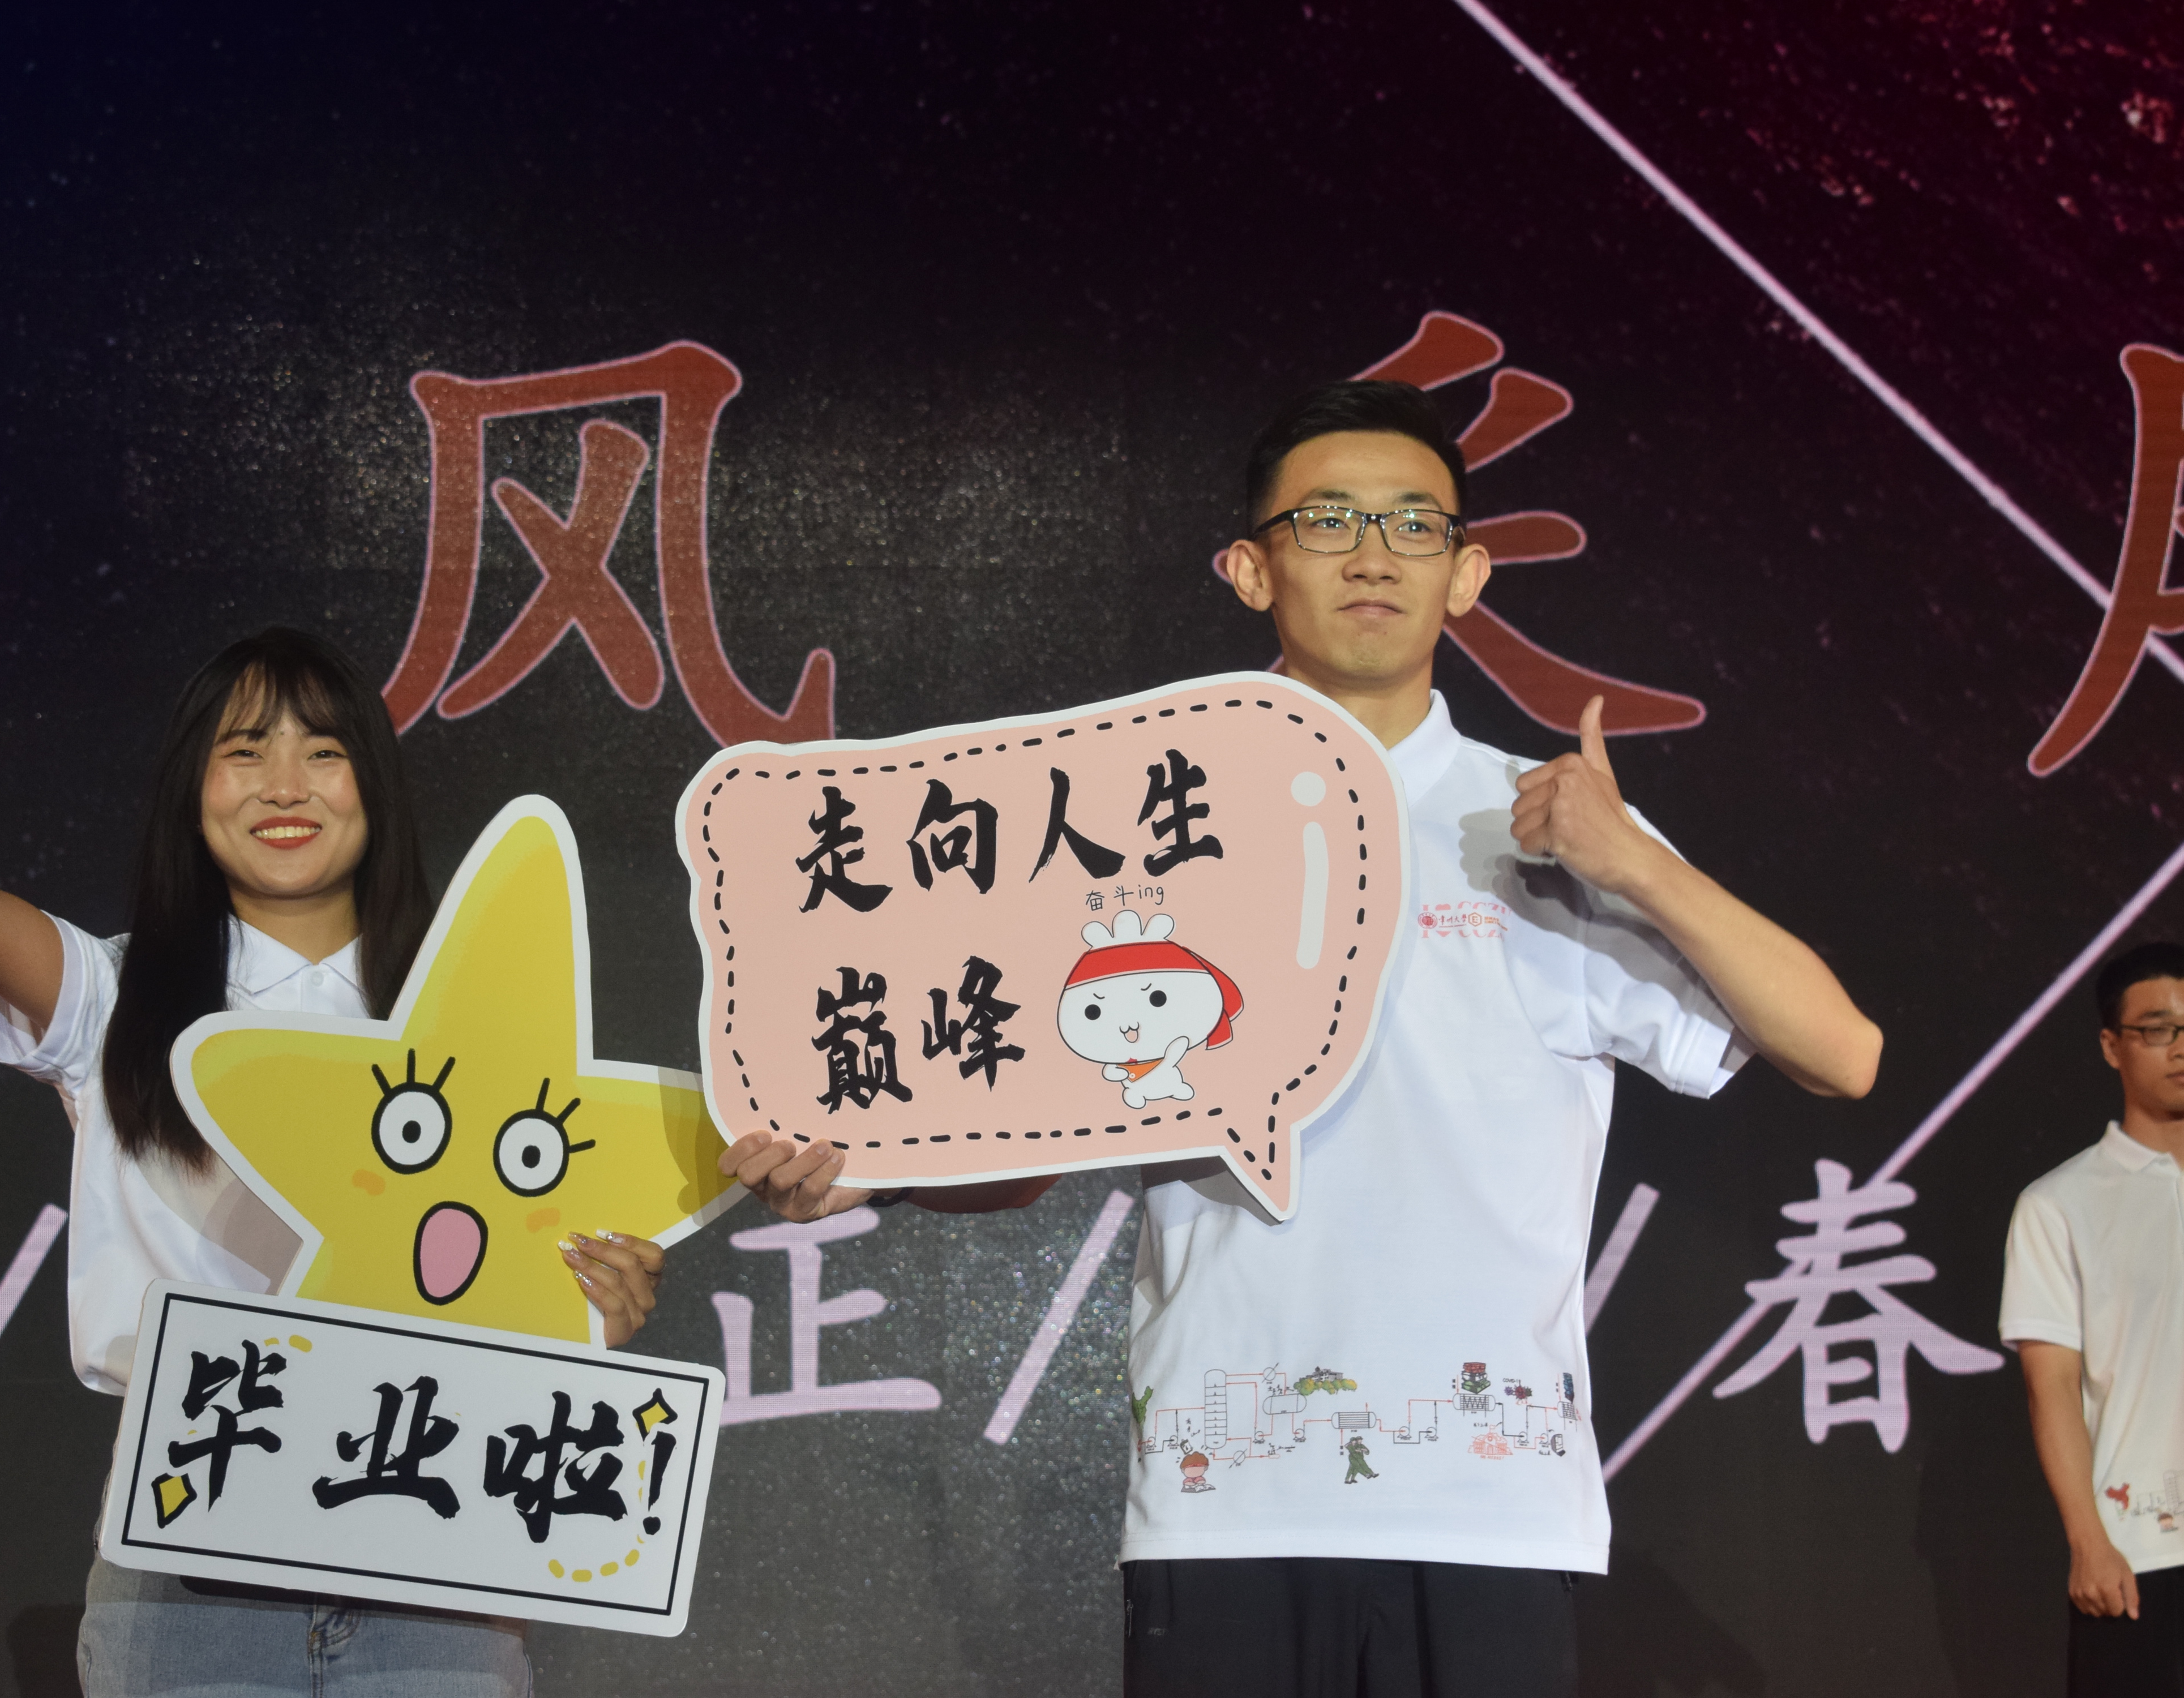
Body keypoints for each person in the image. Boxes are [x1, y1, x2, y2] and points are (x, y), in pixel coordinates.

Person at [719, 380, 1881, 1696]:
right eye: (1327, 521)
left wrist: (1638, 869)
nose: (1373, 556)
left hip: (1492, 1509)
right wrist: (872, 1168)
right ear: (1249, 568)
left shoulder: (1547, 821)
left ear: (1466, 575)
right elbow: (1032, 1147)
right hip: (1227, 1502)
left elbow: (1840, 1053)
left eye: (1414, 525)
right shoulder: (1130, 830)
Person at [0, 510, 666, 1697]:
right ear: (193, 788)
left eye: (324, 752)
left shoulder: (475, 1038)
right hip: (190, 1555)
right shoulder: (116, 993)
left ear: (374, 786)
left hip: (435, 1558)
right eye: (244, 752)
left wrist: (594, 1306)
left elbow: (525, 1275)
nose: (285, 786)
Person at [2002, 941, 2184, 1695]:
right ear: (2113, 1046)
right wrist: (2088, 1540)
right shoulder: (2059, 1205)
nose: (2180, 1047)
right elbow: (2051, 1389)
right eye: (2158, 1029)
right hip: (2141, 1553)